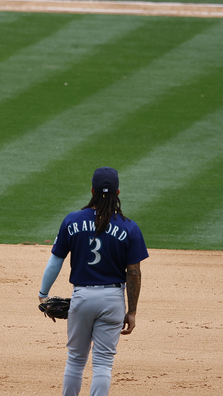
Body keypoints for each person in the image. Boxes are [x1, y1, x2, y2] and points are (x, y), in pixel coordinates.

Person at [38, 167, 149, 396]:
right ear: (118, 192)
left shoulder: (72, 220)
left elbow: (55, 261)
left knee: (76, 361)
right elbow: (134, 273)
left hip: (82, 297)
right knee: (103, 363)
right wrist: (132, 311)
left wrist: (43, 293)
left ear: (92, 191)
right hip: (112, 300)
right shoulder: (129, 227)